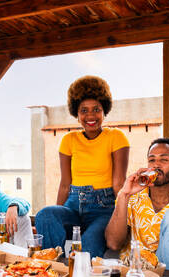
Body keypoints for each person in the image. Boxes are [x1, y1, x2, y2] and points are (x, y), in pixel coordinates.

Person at [35, 75, 130, 258]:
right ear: (77, 115)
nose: (90, 116)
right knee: (45, 215)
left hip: (104, 209)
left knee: (87, 250)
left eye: (96, 109)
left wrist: (123, 219)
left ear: (104, 112)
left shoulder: (116, 137)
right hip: (73, 205)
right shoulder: (68, 140)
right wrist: (57, 218)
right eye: (84, 110)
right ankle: (51, 268)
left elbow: (119, 183)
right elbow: (64, 184)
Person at [105, 138, 169, 270]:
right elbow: (113, 244)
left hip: (168, 268)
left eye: (164, 160)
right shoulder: (132, 197)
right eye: (152, 160)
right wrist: (124, 195)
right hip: (135, 270)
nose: (156, 165)